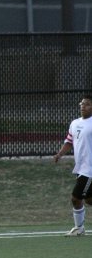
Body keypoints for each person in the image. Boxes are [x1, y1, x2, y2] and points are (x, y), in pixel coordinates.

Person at [54, 96, 92, 237]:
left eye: (87, 104)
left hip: (89, 169)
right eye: (82, 104)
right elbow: (69, 141)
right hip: (80, 167)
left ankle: (79, 228)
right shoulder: (75, 123)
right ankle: (79, 228)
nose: (83, 106)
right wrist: (60, 154)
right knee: (88, 199)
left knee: (76, 198)